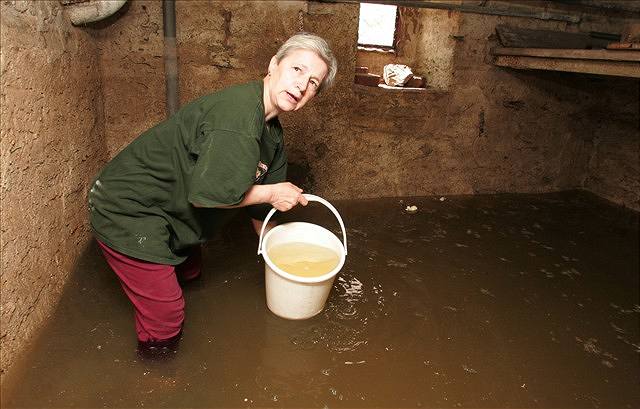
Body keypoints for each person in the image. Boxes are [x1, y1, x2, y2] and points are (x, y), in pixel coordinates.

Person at [87, 32, 337, 356]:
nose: (303, 85)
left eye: (314, 82)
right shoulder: (237, 116)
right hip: (129, 207)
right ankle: (157, 375)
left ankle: (172, 280)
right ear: (274, 65)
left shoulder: (272, 133)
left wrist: (279, 259)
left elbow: (261, 214)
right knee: (167, 313)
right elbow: (211, 196)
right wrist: (272, 194)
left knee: (190, 272)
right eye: (297, 70)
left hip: (170, 205)